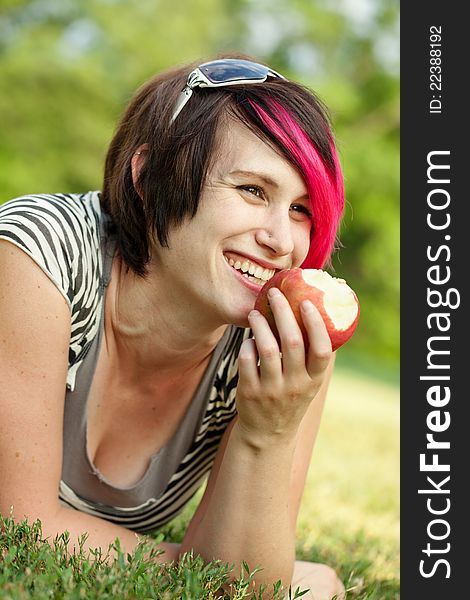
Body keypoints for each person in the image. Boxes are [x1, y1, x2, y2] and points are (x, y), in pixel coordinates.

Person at [0, 54, 346, 599]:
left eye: (302, 209)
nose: (282, 242)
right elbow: (16, 526)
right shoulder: (40, 257)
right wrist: (200, 567)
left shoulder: (282, 347)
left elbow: (246, 586)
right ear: (149, 175)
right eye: (253, 190)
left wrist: (266, 433)